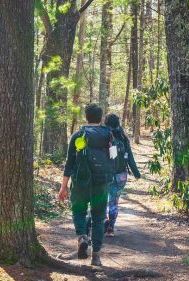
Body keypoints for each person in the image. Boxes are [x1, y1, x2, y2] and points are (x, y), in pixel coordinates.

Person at [57, 103, 113, 266]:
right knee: (98, 218)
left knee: (79, 211)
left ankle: (82, 237)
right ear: (100, 117)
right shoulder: (109, 135)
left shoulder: (78, 135)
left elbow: (69, 163)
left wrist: (63, 187)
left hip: (80, 182)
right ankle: (96, 256)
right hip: (101, 184)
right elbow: (113, 159)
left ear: (86, 117)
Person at [104, 113, 141, 237]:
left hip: (105, 175)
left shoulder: (104, 136)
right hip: (121, 176)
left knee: (102, 200)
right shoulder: (123, 137)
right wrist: (136, 173)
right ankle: (110, 228)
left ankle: (103, 221)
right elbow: (130, 156)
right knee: (114, 202)